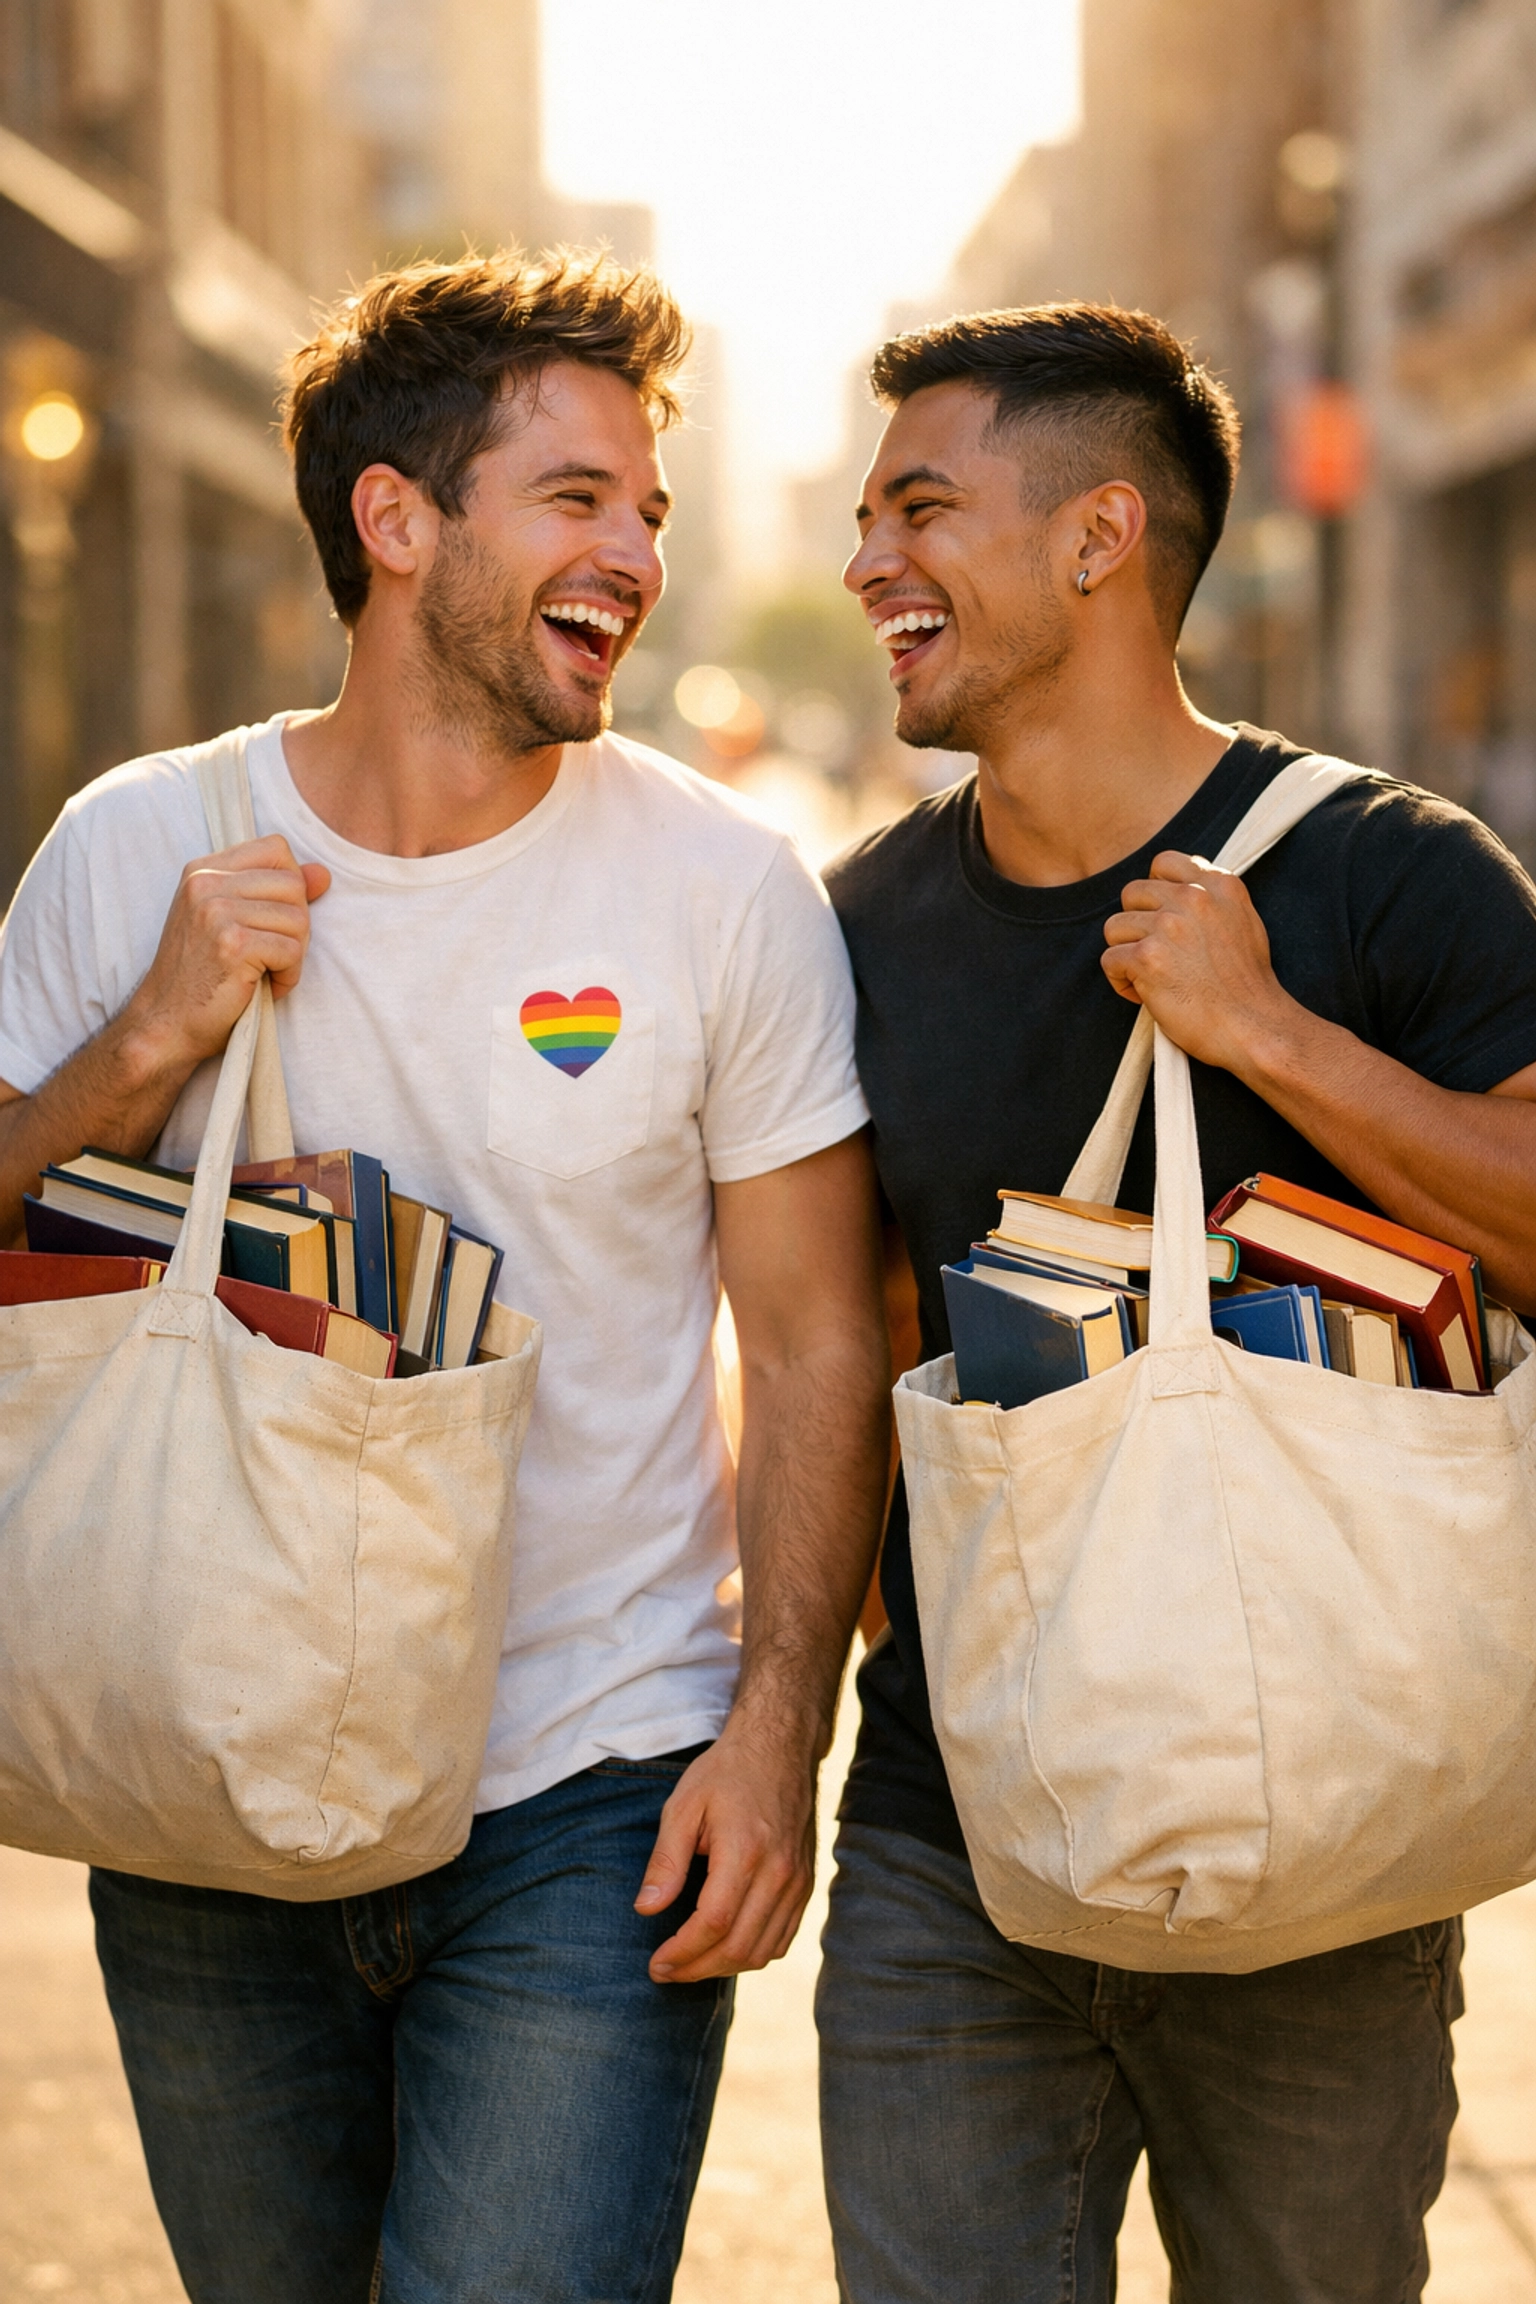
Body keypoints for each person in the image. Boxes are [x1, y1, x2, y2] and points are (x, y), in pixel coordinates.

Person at [0, 250, 890, 2304]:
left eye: (652, 512)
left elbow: (820, 1335)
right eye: (577, 497)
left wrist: (772, 1740)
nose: (635, 553)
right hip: (202, 1767)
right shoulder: (135, 846)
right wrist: (144, 1044)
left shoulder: (719, 885)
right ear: (397, 521)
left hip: (592, 1791)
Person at [818, 301, 1536, 2304]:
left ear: (1100, 536)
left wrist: (1269, 1036)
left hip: (1333, 1856)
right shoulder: (855, 928)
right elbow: (838, 1352)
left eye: (922, 505)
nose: (869, 559)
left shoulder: (1393, 876)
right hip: (952, 1842)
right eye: (867, 513)